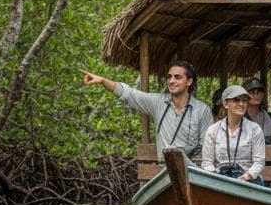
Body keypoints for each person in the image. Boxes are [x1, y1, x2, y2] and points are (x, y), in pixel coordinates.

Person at [83, 62, 212, 159]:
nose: (171, 81)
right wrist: (103, 81)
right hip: (166, 171)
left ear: (189, 81)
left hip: (193, 171)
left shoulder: (202, 110)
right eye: (169, 77)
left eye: (177, 77)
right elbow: (129, 94)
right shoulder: (157, 103)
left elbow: (207, 146)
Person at [200, 85, 266, 183]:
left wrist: (247, 176)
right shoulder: (213, 130)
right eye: (236, 100)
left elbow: (259, 162)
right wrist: (215, 179)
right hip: (220, 179)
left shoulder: (255, 129)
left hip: (248, 180)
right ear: (226, 104)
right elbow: (207, 162)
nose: (241, 104)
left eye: (244, 101)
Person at [242, 76, 271, 142]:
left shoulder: (268, 117)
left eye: (260, 91)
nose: (256, 95)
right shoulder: (238, 116)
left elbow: (268, 140)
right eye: (252, 92)